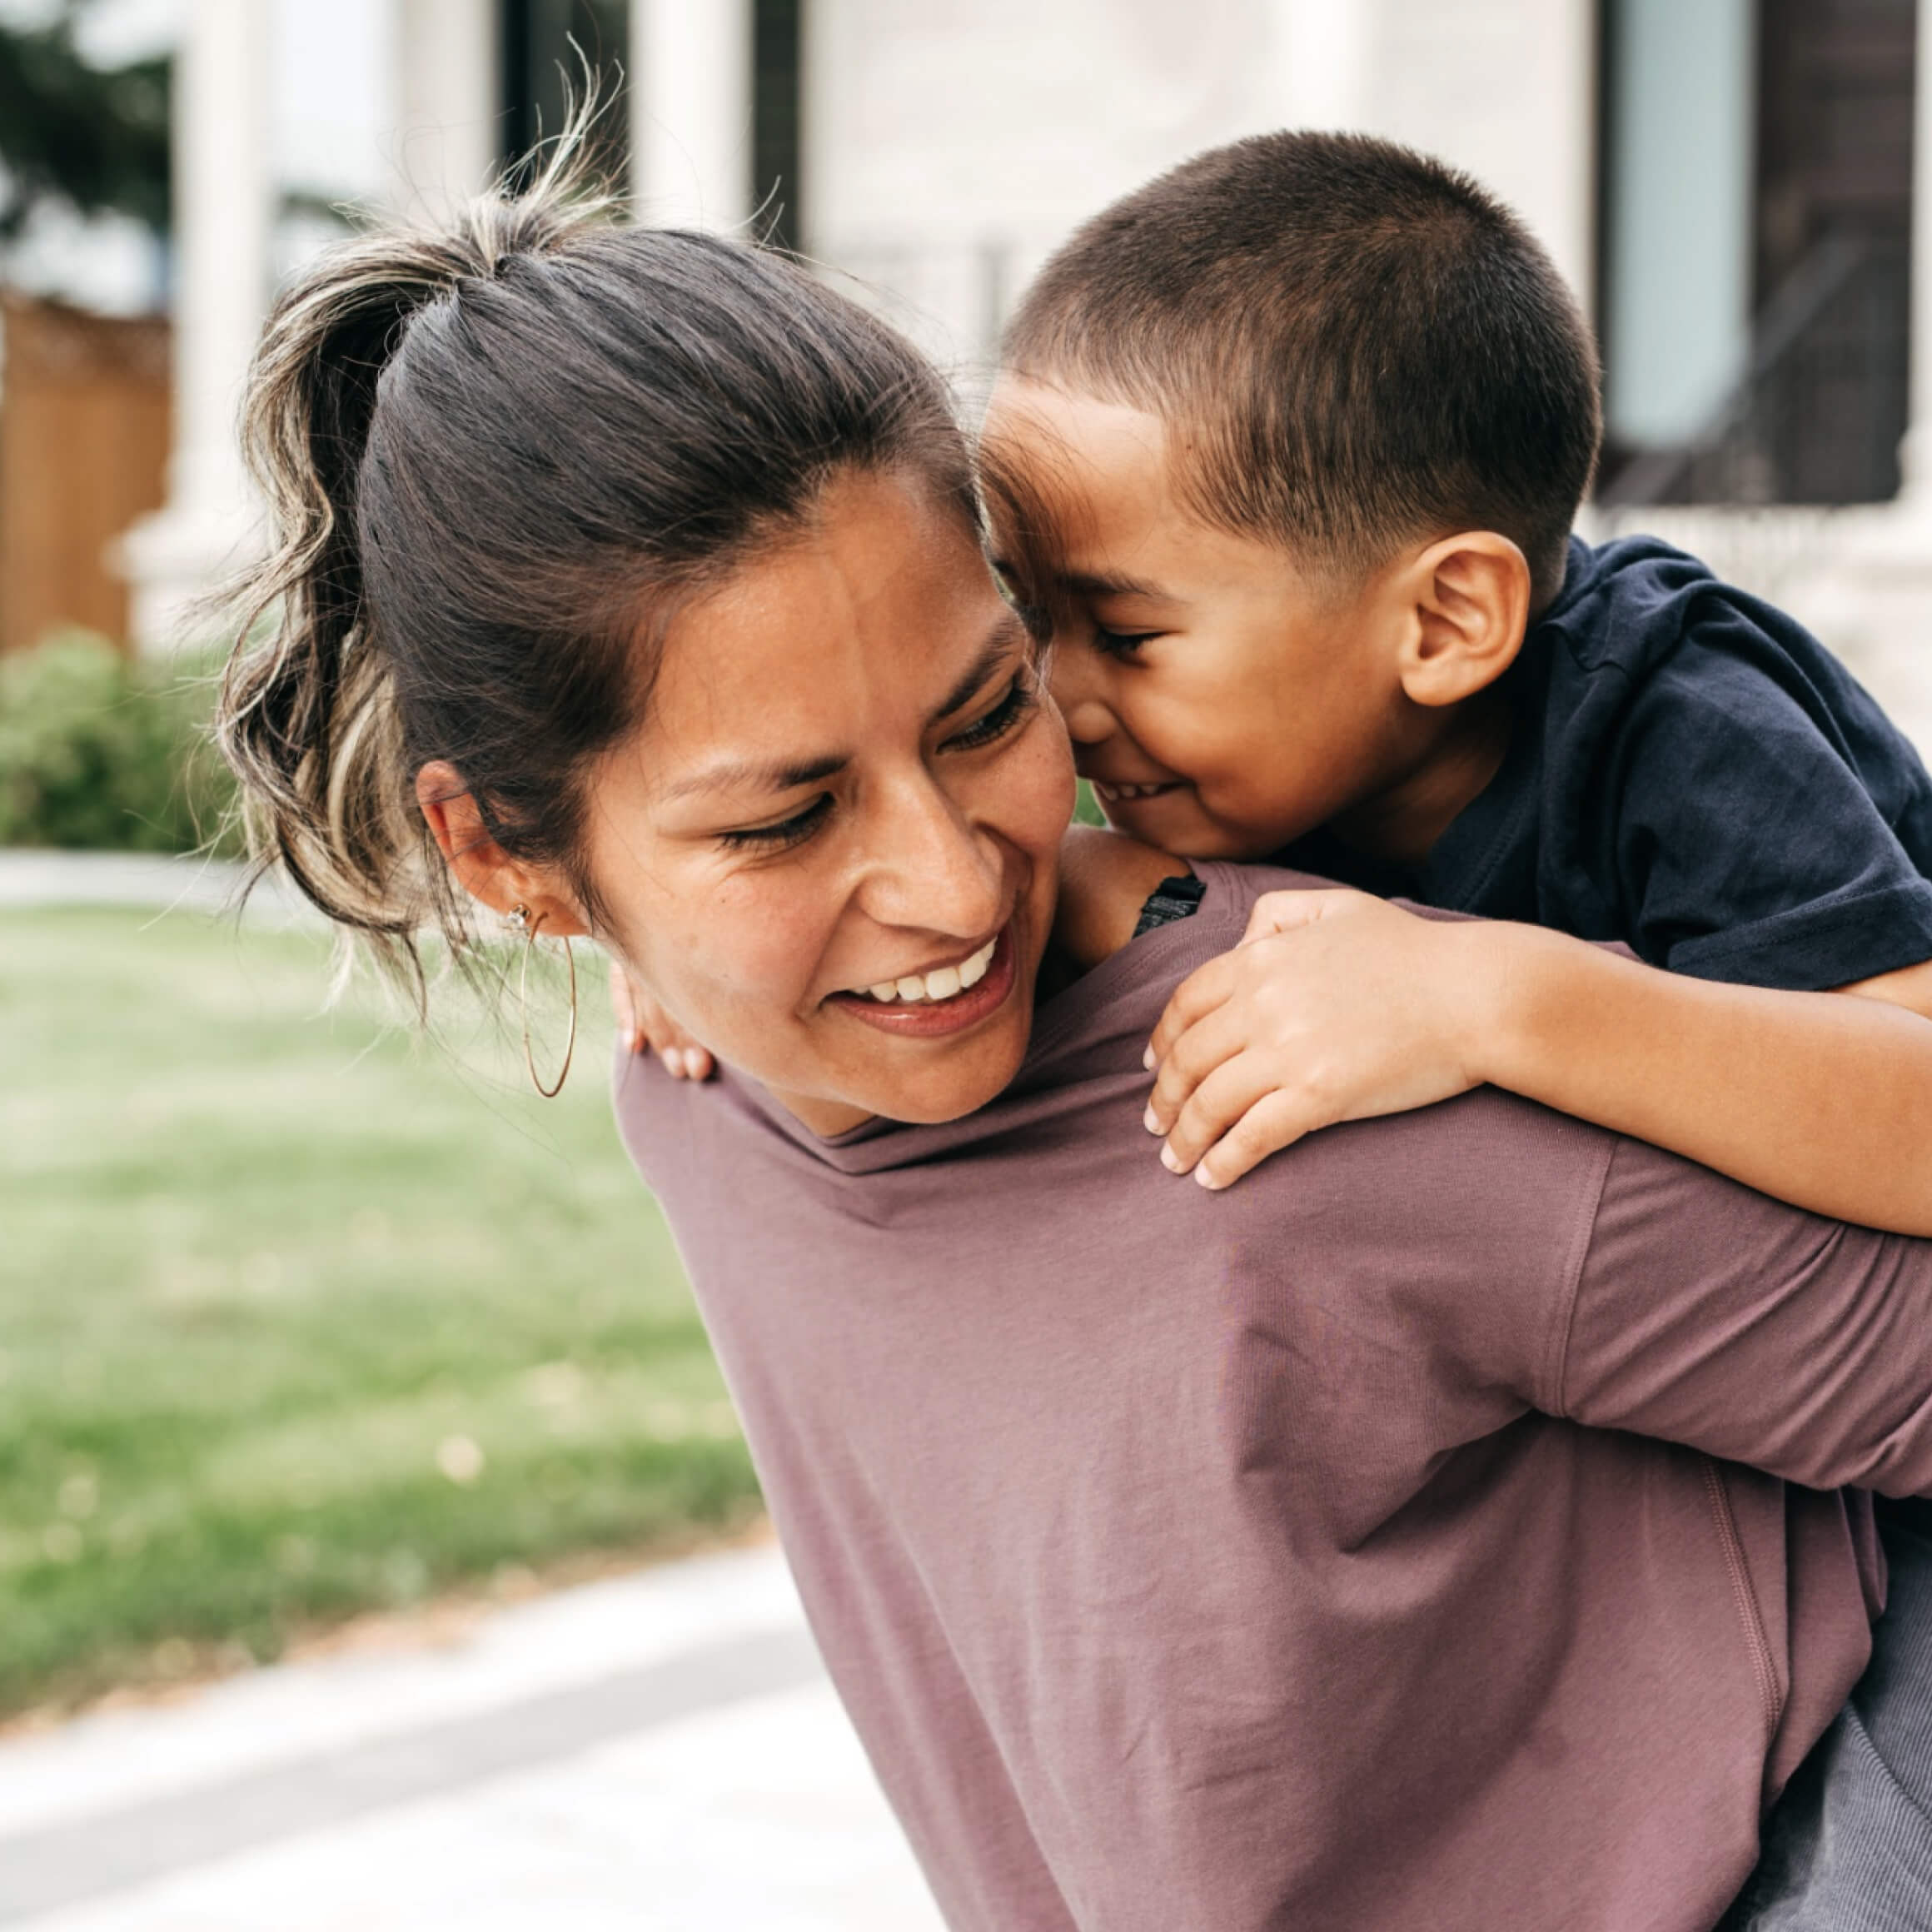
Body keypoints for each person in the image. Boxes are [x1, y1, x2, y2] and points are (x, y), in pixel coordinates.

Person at [218, 148, 1932, 1930]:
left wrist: (1506, 993)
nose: (957, 887)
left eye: (985, 712)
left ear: (1448, 618)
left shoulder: (1361, 1014)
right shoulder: (698, 1087)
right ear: (514, 862)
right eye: (781, 817)